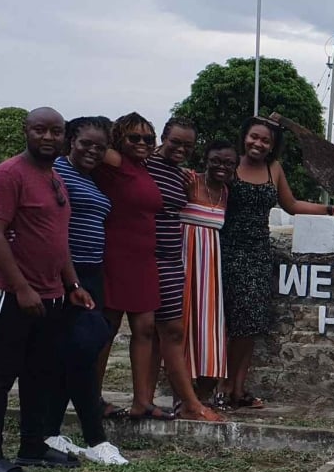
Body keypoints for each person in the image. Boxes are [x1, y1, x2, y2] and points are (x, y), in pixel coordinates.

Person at [0, 108, 94, 472]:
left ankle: (32, 445)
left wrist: (72, 285)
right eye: (40, 130)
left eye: (55, 132)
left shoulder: (54, 177)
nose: (48, 137)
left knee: (39, 373)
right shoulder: (8, 175)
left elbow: (56, 239)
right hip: (11, 292)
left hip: (51, 293)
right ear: (26, 131)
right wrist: (21, 287)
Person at [221, 118, 334, 408]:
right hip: (227, 251)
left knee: (251, 325)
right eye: (254, 137)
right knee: (231, 325)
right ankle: (223, 385)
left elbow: (290, 205)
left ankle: (239, 390)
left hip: (257, 253)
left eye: (265, 140)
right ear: (244, 137)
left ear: (272, 146)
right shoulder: (230, 165)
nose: (258, 144)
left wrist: (330, 209)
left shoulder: (273, 169)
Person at [42, 116, 127, 465]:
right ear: (70, 142)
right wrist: (71, 280)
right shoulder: (57, 174)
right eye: (85, 143)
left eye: (100, 146)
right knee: (81, 354)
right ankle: (94, 438)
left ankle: (52, 431)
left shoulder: (90, 180)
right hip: (68, 275)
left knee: (78, 353)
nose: (93, 150)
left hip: (92, 273)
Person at [144, 118, 222, 422]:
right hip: (141, 256)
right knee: (145, 333)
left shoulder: (182, 176)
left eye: (187, 145)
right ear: (163, 137)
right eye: (175, 141)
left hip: (170, 258)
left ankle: (184, 403)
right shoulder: (143, 165)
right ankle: (147, 399)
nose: (180, 149)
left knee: (170, 332)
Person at [93, 113, 168, 420]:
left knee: (146, 329)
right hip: (117, 256)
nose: (142, 143)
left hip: (144, 259)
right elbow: (90, 135)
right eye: (134, 138)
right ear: (118, 139)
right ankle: (91, 397)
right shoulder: (114, 164)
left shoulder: (143, 168)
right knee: (106, 330)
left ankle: (142, 401)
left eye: (148, 139)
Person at [181, 140, 234, 403]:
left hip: (210, 267)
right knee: (180, 326)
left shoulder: (226, 192)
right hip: (182, 260)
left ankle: (203, 393)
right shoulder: (189, 180)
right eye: (216, 160)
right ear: (206, 159)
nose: (221, 166)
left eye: (228, 163)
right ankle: (181, 394)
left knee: (208, 329)